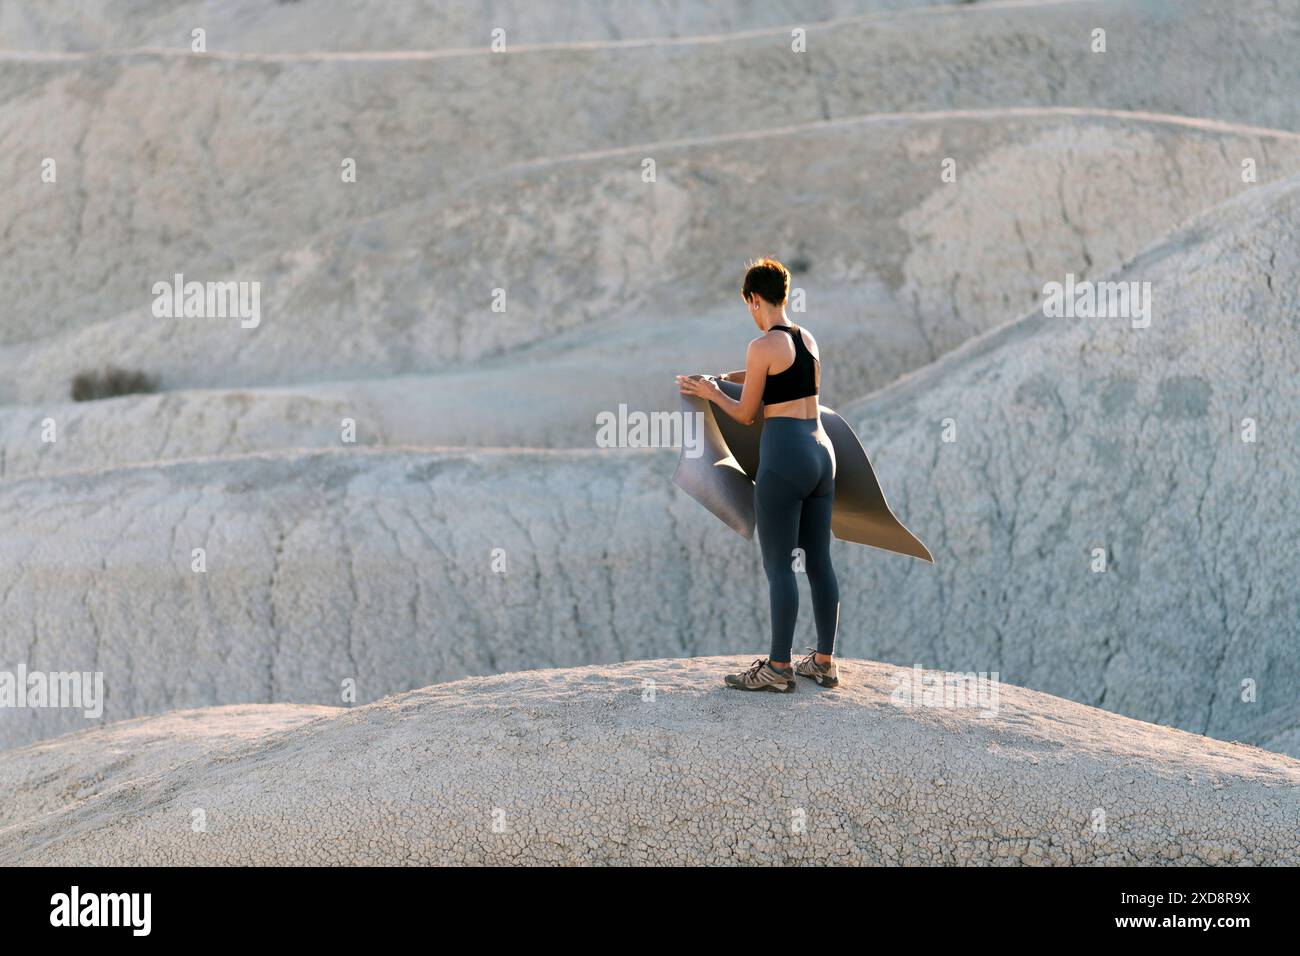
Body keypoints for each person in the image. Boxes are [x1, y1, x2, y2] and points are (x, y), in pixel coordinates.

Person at [676, 257, 840, 693]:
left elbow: (747, 414)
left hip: (785, 457)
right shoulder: (807, 339)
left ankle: (779, 668)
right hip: (822, 454)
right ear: (784, 295)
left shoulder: (761, 343)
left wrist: (712, 391)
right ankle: (824, 661)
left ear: (752, 299)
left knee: (780, 565)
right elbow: (779, 378)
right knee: (819, 561)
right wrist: (731, 376)